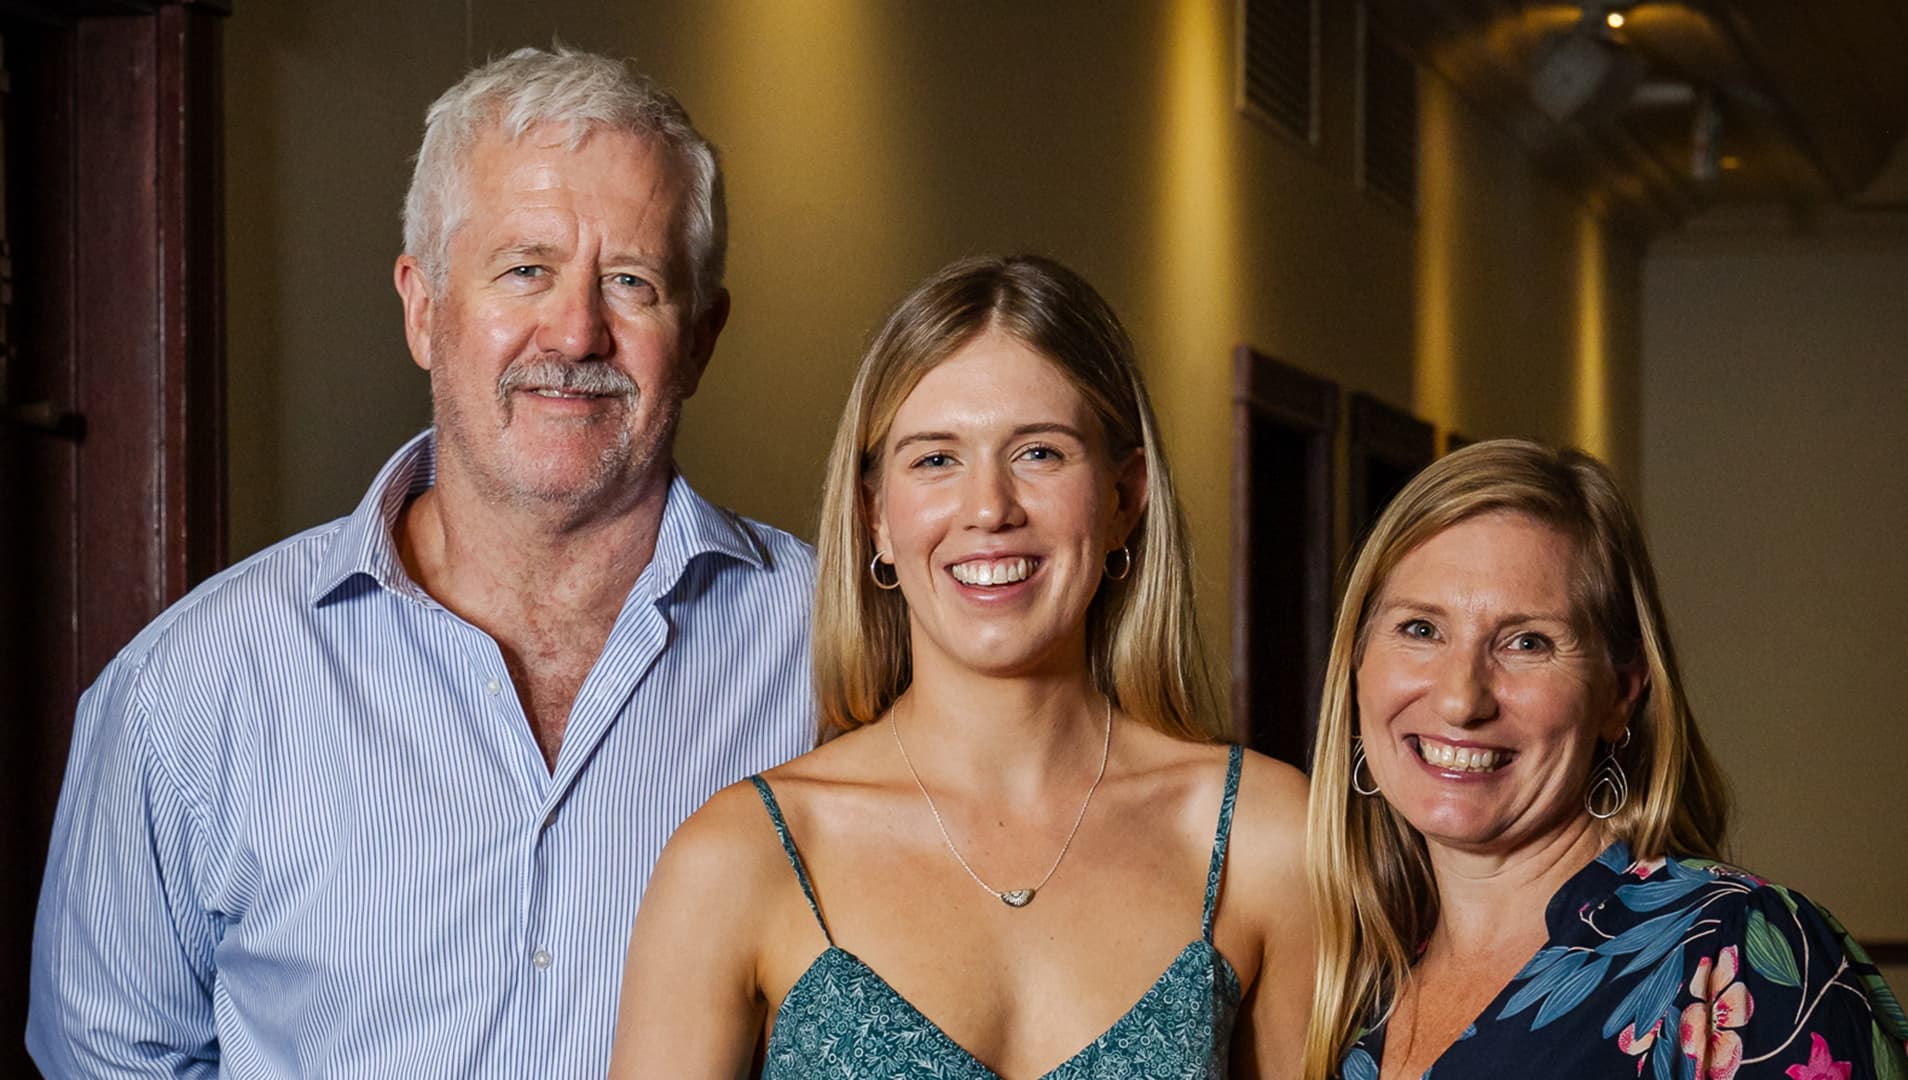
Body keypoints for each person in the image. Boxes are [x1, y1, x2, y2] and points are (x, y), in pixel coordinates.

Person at [28, 46, 815, 1077]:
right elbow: (107, 1060)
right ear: (423, 306)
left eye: (631, 282)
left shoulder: (832, 651)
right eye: (525, 269)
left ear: (702, 336)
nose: (575, 329)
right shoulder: (190, 692)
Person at [611, 254, 1316, 1077]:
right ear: (876, 516)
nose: (989, 509)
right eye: (936, 459)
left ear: (1125, 499)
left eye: (1041, 454)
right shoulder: (742, 856)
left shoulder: (1265, 839)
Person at [1301, 439, 1908, 1079]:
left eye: (1527, 641)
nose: (1462, 699)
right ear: (1355, 662)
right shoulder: (1352, 982)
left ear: (1620, 695)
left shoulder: (1737, 949)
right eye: (1420, 629)